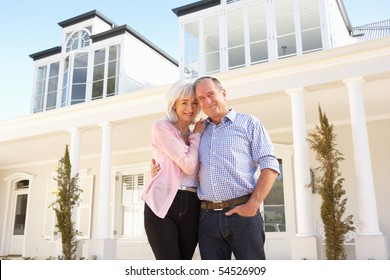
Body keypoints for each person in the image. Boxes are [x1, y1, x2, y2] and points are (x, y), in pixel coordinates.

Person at [193, 76, 280, 260]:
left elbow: (270, 165)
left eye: (211, 94)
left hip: (243, 214)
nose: (207, 101)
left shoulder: (249, 123)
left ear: (223, 93)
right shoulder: (199, 132)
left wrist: (253, 204)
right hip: (207, 219)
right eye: (201, 98)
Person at [142, 79, 204, 260]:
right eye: (184, 102)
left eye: (194, 103)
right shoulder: (162, 127)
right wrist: (197, 136)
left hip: (192, 203)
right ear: (174, 105)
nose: (190, 108)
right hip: (162, 203)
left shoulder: (196, 134)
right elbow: (188, 165)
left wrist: (195, 135)